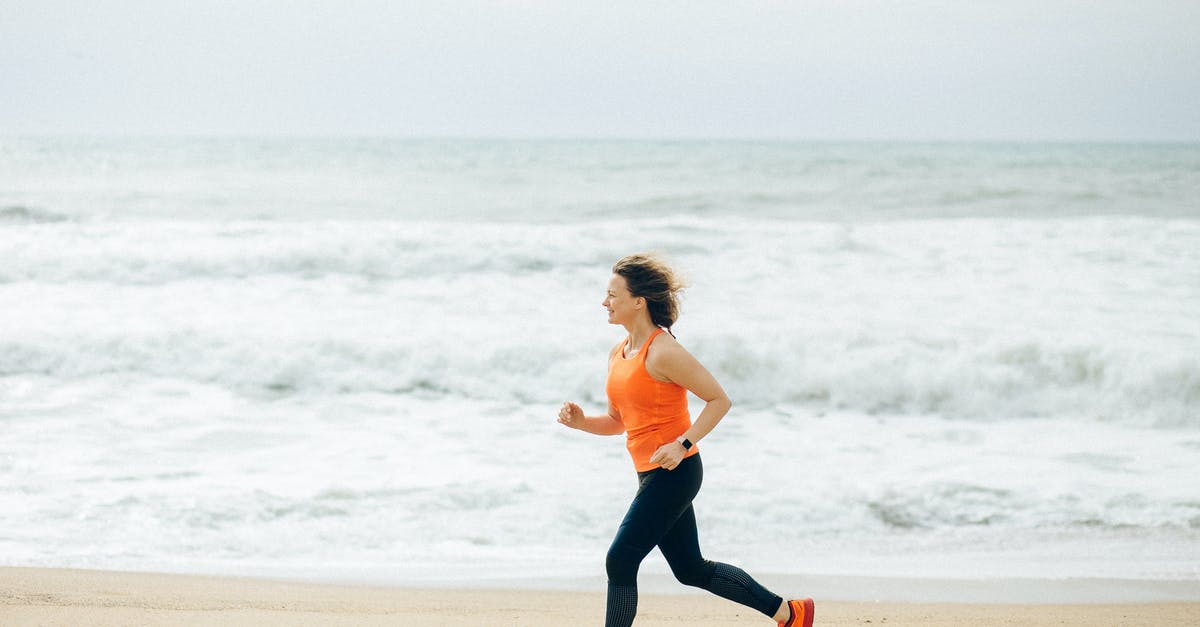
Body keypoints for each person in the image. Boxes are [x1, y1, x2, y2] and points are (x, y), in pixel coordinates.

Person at [557, 253, 814, 627]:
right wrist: (582, 423)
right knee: (690, 569)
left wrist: (683, 445)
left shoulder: (664, 351)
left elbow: (719, 400)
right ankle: (791, 613)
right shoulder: (619, 352)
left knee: (621, 559)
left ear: (638, 301)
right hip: (650, 473)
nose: (604, 302)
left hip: (676, 472)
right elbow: (618, 422)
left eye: (612, 294)